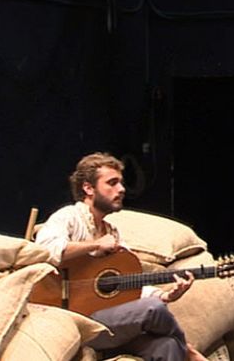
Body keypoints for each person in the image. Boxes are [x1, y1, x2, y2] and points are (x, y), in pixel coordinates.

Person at [35, 152, 207, 361]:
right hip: (73, 317)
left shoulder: (112, 233)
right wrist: (96, 244)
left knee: (166, 345)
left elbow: (127, 283)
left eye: (121, 183)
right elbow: (45, 250)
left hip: (108, 320)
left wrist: (166, 296)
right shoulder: (69, 217)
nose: (122, 189)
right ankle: (191, 355)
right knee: (153, 309)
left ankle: (181, 349)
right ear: (88, 188)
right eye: (112, 183)